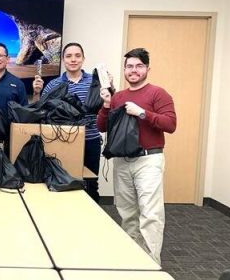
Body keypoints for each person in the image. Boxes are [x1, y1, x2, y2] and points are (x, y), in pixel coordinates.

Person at [96, 48, 176, 264]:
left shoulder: (158, 93)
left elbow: (170, 124)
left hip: (149, 160)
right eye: (130, 66)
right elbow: (102, 126)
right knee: (127, 213)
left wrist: (142, 112)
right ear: (124, 70)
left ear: (147, 69)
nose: (134, 70)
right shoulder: (119, 96)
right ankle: (133, 260)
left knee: (150, 214)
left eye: (139, 66)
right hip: (122, 161)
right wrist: (106, 104)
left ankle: (150, 264)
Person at [30, 42, 105, 202]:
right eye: (69, 56)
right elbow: (40, 109)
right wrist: (36, 93)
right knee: (63, 179)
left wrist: (109, 88)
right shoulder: (54, 84)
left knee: (91, 182)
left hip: (90, 139)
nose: (73, 60)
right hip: (63, 141)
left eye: (77, 56)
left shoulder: (95, 82)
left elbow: (107, 106)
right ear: (63, 60)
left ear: (83, 59)